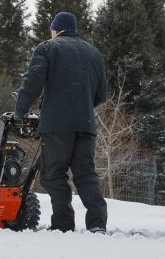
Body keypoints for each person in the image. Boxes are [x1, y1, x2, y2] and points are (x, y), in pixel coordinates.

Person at [15, 12, 108, 233]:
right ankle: (97, 224)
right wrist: (81, 107)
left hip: (56, 126)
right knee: (86, 174)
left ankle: (63, 225)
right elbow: (103, 94)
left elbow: (33, 82)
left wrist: (20, 110)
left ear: (56, 29)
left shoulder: (48, 48)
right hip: (86, 125)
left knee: (53, 175)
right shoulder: (93, 53)